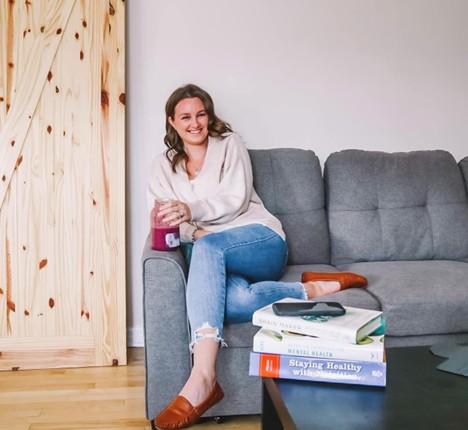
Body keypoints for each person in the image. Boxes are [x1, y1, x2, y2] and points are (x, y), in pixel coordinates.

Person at [148, 84, 368, 430]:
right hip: (213, 252)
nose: (195, 123)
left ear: (210, 116)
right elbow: (167, 224)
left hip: (260, 240)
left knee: (207, 247)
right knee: (235, 300)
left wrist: (194, 216)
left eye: (201, 114)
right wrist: (195, 232)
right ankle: (309, 291)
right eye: (186, 117)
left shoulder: (229, 145)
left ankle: (203, 377)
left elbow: (234, 200)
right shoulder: (161, 167)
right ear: (172, 122)